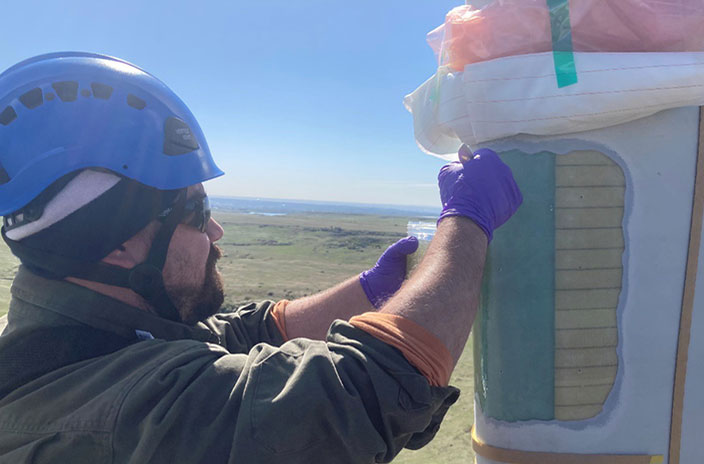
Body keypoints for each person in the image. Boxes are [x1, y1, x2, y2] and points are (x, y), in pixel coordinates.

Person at [0, 52, 522, 463]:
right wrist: (467, 221)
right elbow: (361, 393)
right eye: (195, 209)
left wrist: (366, 290)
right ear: (115, 240)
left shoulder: (66, 341)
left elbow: (229, 337)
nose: (216, 229)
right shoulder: (120, 419)